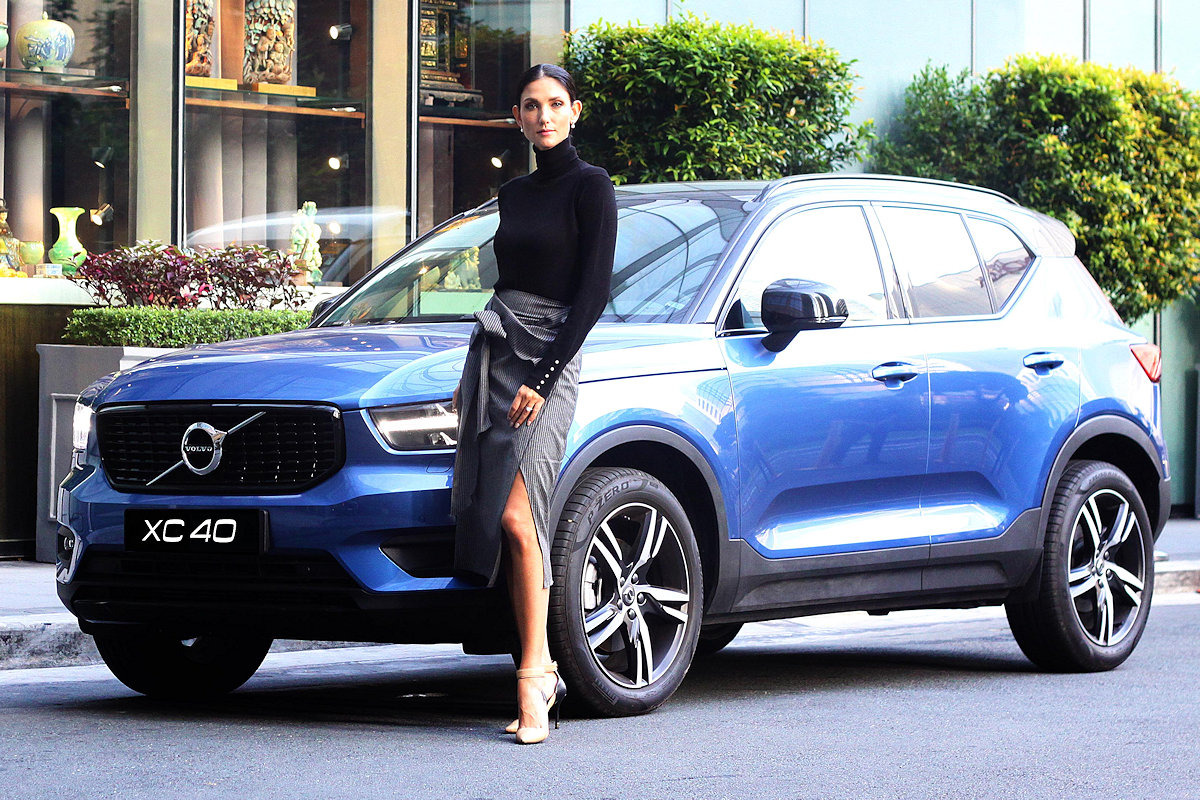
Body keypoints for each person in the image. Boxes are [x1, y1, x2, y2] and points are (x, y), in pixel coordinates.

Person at [449, 64, 617, 744]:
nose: (543, 115)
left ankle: (533, 678)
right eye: (529, 105)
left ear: (574, 111)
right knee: (496, 513)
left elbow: (592, 295)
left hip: (552, 360)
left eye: (554, 103)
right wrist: (476, 372)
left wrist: (543, 379)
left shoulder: (592, 186)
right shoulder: (512, 193)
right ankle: (536, 668)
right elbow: (506, 285)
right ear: (516, 118)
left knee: (522, 516)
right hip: (499, 354)